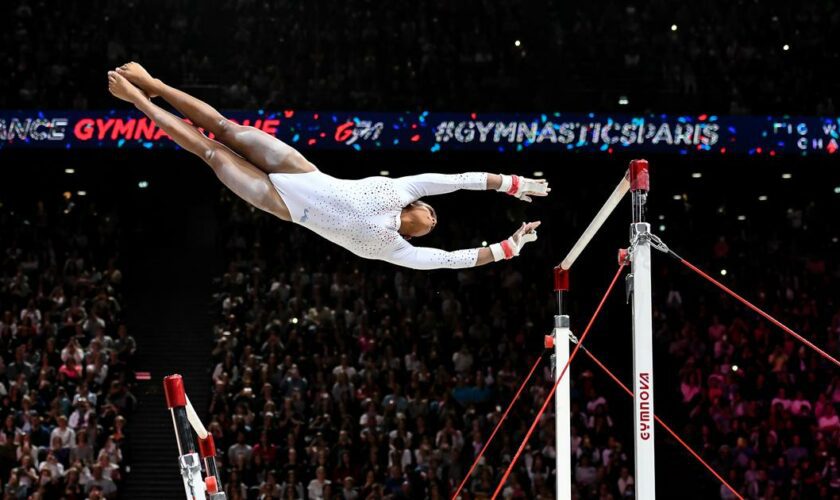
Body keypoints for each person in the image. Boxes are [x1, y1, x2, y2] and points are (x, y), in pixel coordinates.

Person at [107, 63, 549, 270]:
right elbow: (458, 181)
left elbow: (455, 260)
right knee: (223, 127)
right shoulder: (402, 189)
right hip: (303, 172)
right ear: (422, 206)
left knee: (209, 153)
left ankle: (138, 101)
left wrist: (510, 247)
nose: (433, 220)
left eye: (432, 223)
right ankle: (154, 82)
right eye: (433, 213)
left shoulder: (398, 250)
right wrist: (513, 184)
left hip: (282, 204)